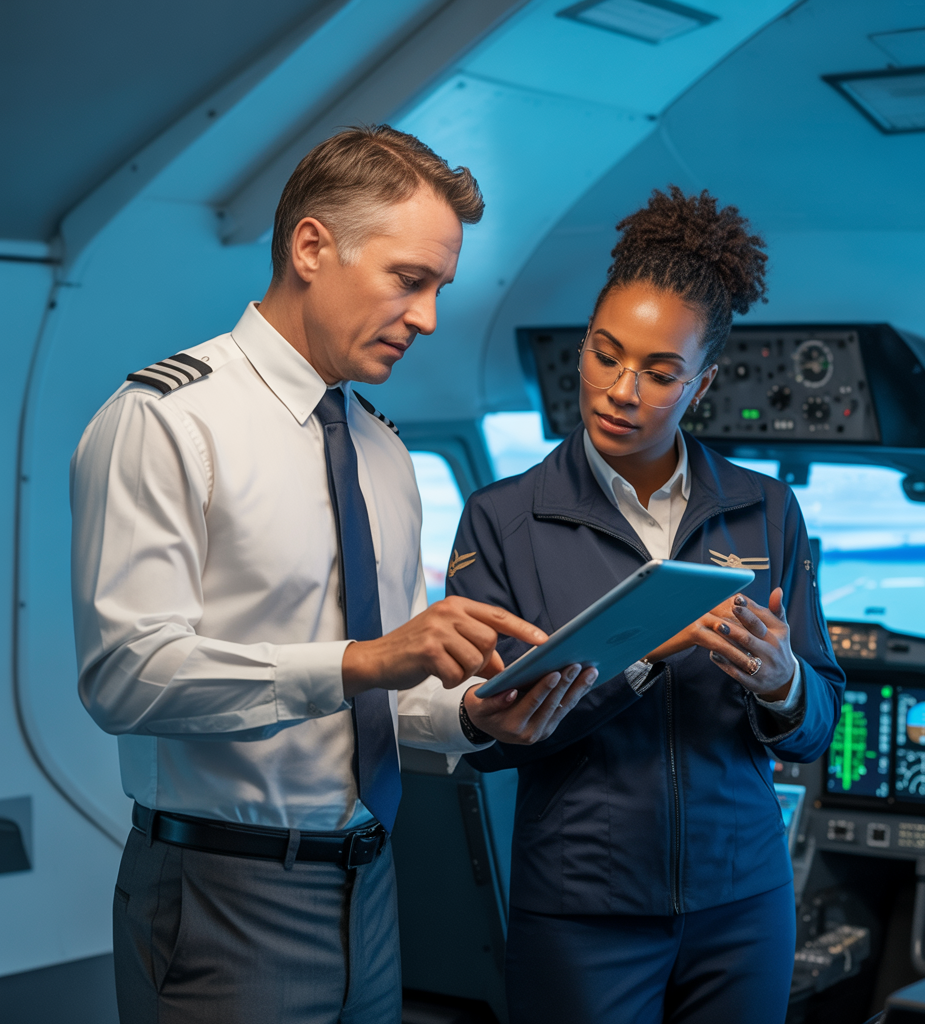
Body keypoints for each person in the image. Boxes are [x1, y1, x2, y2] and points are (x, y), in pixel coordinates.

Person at [70, 125, 596, 1024]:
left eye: (440, 289)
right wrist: (362, 661)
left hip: (374, 880)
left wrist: (470, 712)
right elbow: (127, 676)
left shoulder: (385, 454)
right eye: (409, 279)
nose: (428, 317)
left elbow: (384, 693)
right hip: (222, 891)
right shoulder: (165, 423)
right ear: (312, 247)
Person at [446, 187, 845, 1024]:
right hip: (582, 909)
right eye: (605, 354)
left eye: (660, 372)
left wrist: (783, 684)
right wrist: (641, 654)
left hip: (744, 902)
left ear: (699, 386)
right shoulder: (503, 517)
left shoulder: (766, 511)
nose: (620, 389)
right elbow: (485, 736)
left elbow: (816, 729)